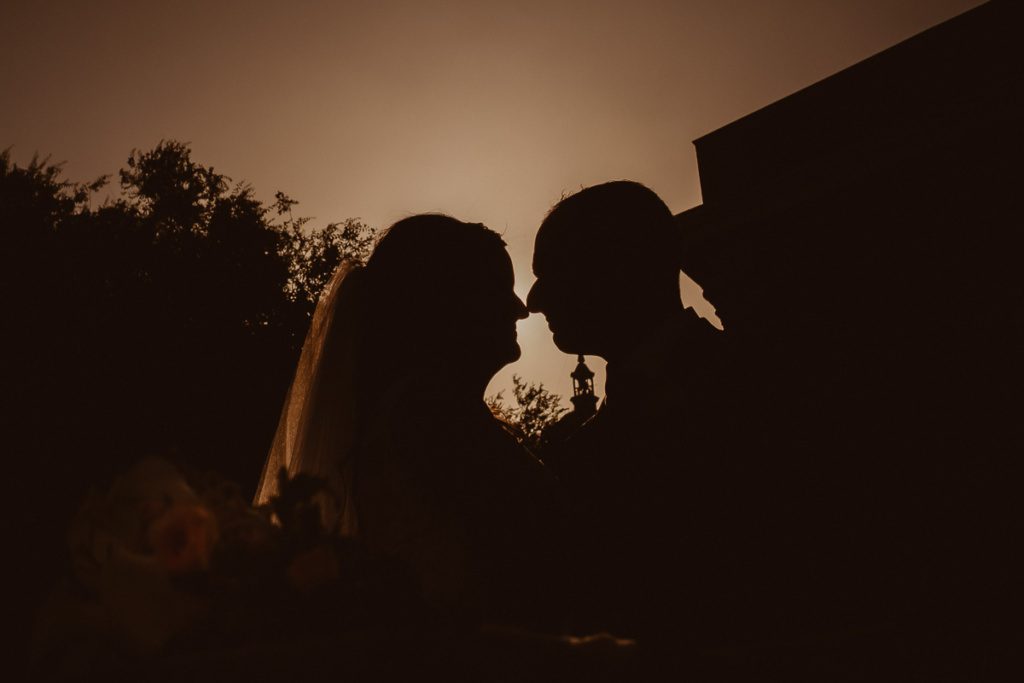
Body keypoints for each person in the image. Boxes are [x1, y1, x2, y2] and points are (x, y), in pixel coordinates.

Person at [255, 214, 565, 629]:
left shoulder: (420, 414)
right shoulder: (432, 420)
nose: (519, 308)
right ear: (448, 304)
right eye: (498, 290)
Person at [527, 181, 791, 656]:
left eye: (554, 274)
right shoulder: (585, 443)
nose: (535, 301)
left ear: (620, 265)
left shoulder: (745, 386)